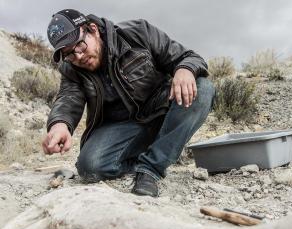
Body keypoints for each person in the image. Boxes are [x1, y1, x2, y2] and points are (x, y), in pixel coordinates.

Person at [42, 9, 215, 197]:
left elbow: (189, 57)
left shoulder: (138, 32)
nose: (79, 57)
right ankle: (159, 151)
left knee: (203, 88)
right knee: (90, 167)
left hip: (161, 110)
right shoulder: (71, 68)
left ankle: (150, 169)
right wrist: (60, 124)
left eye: (80, 46)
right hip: (120, 126)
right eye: (69, 54)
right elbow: (68, 97)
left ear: (92, 29)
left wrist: (185, 68)